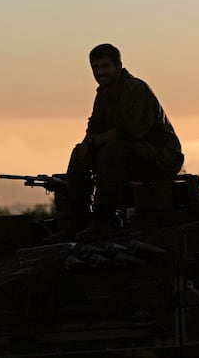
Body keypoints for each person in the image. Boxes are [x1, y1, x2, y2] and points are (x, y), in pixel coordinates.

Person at [55, 43, 184, 241]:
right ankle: (77, 219)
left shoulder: (135, 88)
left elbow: (128, 131)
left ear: (118, 66)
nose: (100, 72)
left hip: (162, 157)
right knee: (79, 152)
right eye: (95, 68)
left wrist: (93, 143)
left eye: (105, 67)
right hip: (132, 153)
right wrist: (85, 148)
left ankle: (105, 220)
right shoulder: (104, 94)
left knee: (113, 151)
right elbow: (94, 130)